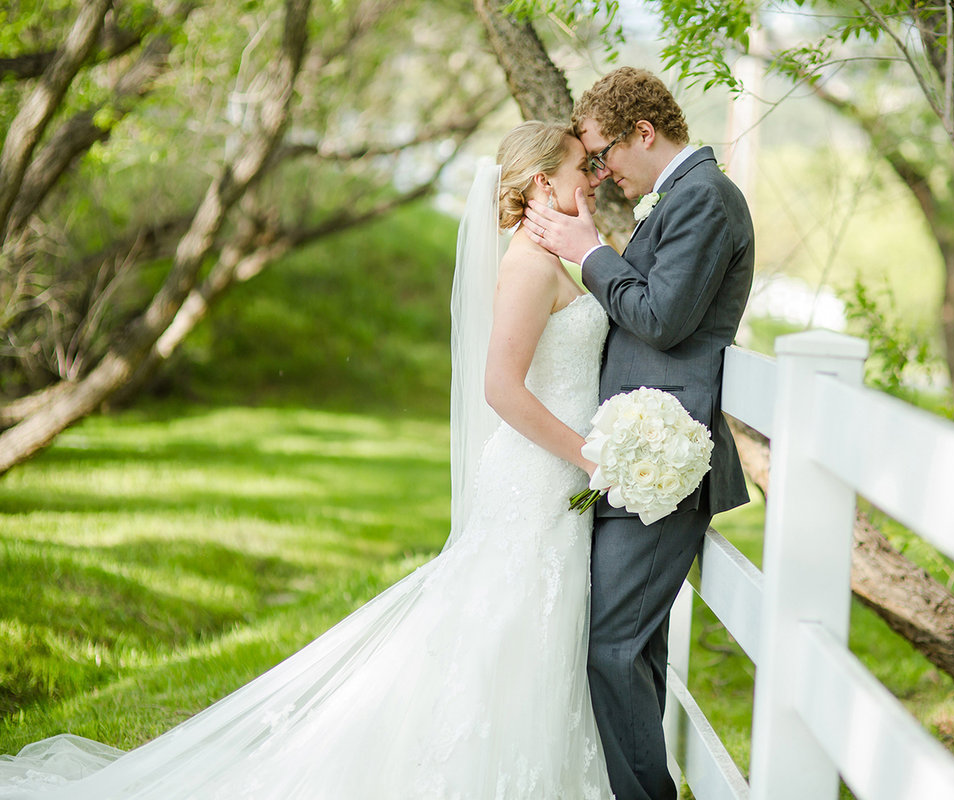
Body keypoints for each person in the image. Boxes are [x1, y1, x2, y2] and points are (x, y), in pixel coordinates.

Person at [0, 121, 614, 800]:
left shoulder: (550, 258)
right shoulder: (529, 267)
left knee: (519, 639)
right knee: (508, 633)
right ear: (540, 182)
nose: (592, 177)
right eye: (582, 167)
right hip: (541, 478)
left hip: (551, 481)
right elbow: (501, 388)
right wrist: (589, 455)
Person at [524, 67, 755, 800]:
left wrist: (590, 249)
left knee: (611, 650)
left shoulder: (708, 200)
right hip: (636, 456)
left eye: (602, 153)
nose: (601, 170)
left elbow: (660, 318)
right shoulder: (681, 200)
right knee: (635, 652)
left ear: (643, 133)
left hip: (664, 461)